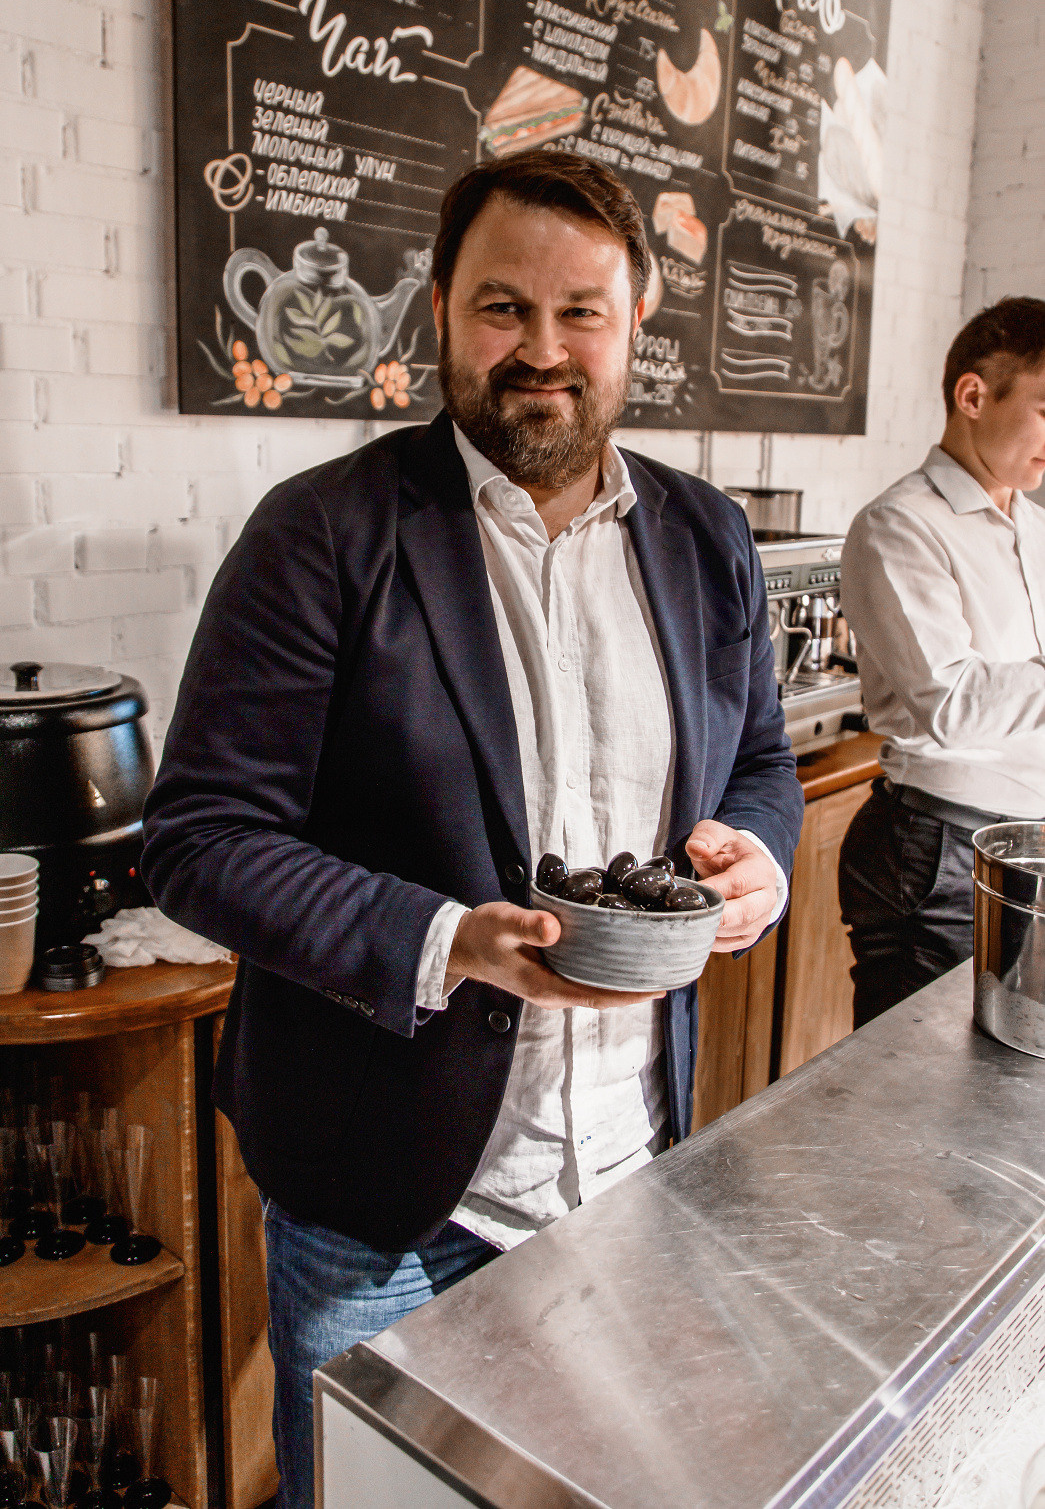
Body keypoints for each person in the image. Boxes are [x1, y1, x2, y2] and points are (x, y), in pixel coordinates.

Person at [141, 152, 804, 1508]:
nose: (541, 350)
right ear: (438, 308)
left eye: (581, 313)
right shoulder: (321, 534)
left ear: (635, 322)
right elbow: (200, 837)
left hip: (629, 1161)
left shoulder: (705, 537)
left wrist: (759, 857)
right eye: (503, 308)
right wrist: (448, 941)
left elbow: (759, 762)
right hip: (382, 1202)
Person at [839, 295, 1045, 1027]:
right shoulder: (898, 525)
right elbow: (951, 705)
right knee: (921, 1073)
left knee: (1001, 1065)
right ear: (973, 396)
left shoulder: (1035, 525)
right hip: (938, 849)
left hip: (1022, 840)